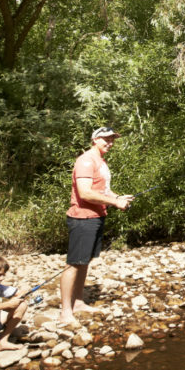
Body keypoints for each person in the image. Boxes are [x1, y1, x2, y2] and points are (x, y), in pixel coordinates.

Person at [61, 126, 133, 324]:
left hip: (96, 216)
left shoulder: (101, 161)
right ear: (95, 139)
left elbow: (103, 190)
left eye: (112, 140)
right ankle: (65, 312)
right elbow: (85, 193)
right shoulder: (86, 160)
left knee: (84, 261)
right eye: (105, 139)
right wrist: (115, 203)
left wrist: (117, 197)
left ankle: (78, 302)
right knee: (74, 264)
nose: (109, 143)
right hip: (82, 217)